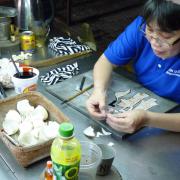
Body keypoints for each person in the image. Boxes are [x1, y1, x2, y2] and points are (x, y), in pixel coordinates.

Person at [86, 0, 180, 133]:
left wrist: (147, 119)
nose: (154, 42)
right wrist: (99, 91)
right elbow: (105, 61)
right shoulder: (141, 28)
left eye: (165, 37)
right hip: (144, 100)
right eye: (150, 31)